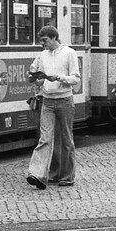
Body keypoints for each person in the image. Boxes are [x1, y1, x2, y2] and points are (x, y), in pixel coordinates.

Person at [26, 25, 81, 189]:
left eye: (45, 41)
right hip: (48, 100)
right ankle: (38, 174)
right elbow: (39, 79)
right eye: (41, 41)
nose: (43, 44)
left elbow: (76, 78)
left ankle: (67, 176)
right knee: (45, 138)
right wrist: (36, 78)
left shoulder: (69, 53)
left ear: (54, 38)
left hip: (65, 99)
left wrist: (59, 77)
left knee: (66, 139)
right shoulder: (43, 55)